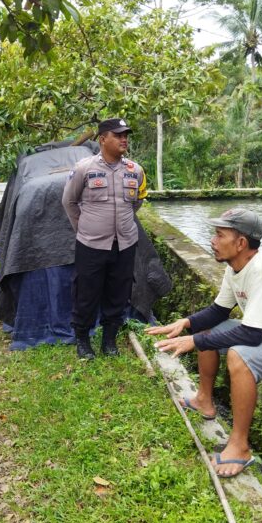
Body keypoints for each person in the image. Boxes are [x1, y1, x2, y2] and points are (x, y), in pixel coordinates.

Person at [145, 208, 262, 478]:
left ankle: (240, 446)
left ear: (241, 243)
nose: (213, 240)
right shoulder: (236, 267)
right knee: (209, 328)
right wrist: (186, 324)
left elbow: (250, 336)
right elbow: (218, 312)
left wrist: (195, 341)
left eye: (220, 234)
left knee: (239, 355)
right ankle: (204, 400)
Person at [62, 118, 148, 359]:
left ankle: (109, 340)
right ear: (102, 139)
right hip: (91, 244)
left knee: (118, 292)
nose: (124, 139)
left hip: (125, 244)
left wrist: (122, 224)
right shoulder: (84, 168)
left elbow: (137, 202)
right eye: (118, 135)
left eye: (126, 135)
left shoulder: (136, 170)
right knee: (86, 293)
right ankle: (82, 340)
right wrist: (85, 228)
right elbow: (68, 202)